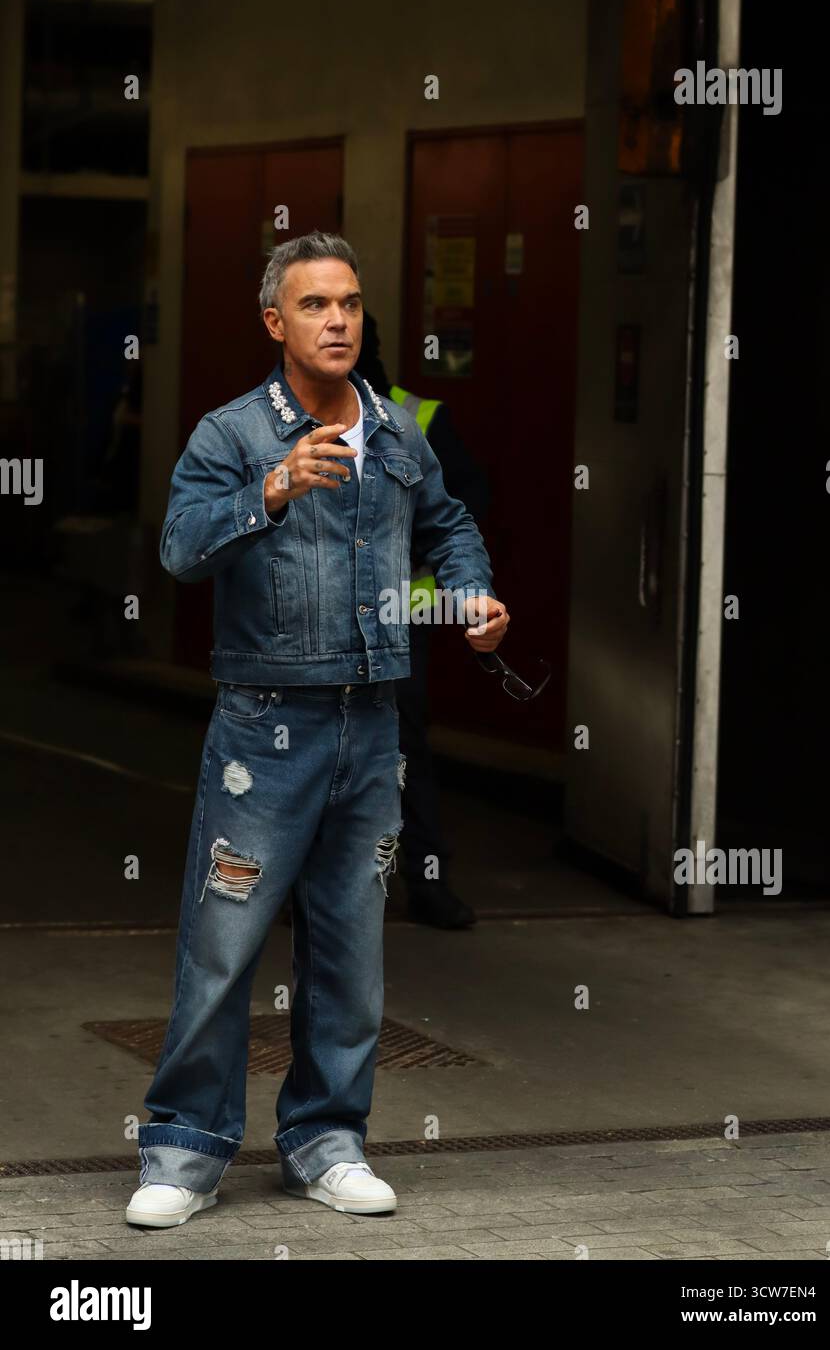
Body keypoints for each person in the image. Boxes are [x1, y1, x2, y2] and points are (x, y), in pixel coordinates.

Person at [125, 230, 509, 1228]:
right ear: (273, 322)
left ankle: (325, 1142)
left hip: (370, 729)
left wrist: (469, 597)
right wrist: (270, 489)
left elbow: (449, 523)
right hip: (263, 732)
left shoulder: (395, 434)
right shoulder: (231, 435)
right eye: (313, 304)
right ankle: (183, 1147)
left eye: (348, 303)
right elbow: (175, 548)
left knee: (349, 951)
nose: (337, 319)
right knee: (222, 945)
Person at [355, 311, 491, 928]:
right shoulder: (280, 419)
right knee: (314, 749)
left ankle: (426, 881)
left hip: (400, 614)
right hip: (320, 622)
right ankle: (324, 888)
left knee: (401, 748)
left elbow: (463, 510)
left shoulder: (414, 417)